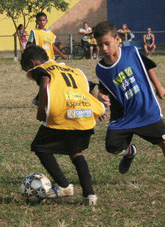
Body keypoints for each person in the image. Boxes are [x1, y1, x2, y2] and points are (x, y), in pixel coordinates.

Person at [93, 21, 165, 185]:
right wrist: (101, 98)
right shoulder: (101, 68)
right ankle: (130, 152)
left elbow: (148, 67)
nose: (104, 49)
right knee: (112, 146)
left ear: (117, 39)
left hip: (146, 110)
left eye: (107, 43)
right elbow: (104, 87)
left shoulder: (132, 52)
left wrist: (158, 86)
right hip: (123, 116)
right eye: (100, 45)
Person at [20, 45, 105, 205]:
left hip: (64, 114)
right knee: (76, 152)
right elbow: (91, 86)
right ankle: (89, 195)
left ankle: (64, 186)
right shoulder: (69, 69)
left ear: (33, 62)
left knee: (39, 147)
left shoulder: (42, 69)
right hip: (83, 115)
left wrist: (41, 110)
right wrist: (96, 106)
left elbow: (44, 82)